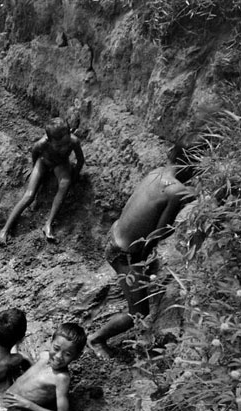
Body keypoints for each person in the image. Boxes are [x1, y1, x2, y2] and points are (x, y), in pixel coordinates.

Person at [87, 134, 203, 359]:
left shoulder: (156, 172)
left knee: (138, 284)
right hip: (125, 257)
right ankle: (97, 338)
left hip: (114, 238)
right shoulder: (177, 191)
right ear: (194, 167)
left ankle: (132, 290)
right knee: (138, 313)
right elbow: (159, 233)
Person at [0, 117, 85, 244]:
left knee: (65, 183)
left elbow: (80, 160)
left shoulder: (74, 141)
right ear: (49, 140)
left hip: (61, 164)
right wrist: (37, 171)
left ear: (70, 133)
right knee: (29, 195)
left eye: (66, 143)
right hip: (44, 162)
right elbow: (34, 154)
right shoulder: (41, 144)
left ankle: (48, 224)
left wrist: (75, 176)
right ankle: (5, 230)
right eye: (59, 145)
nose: (63, 147)